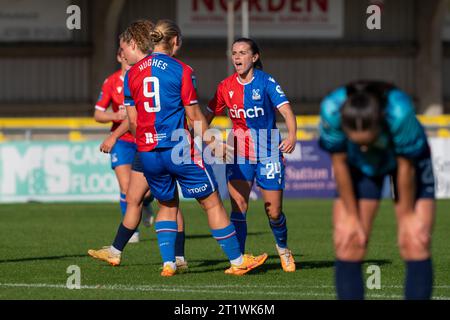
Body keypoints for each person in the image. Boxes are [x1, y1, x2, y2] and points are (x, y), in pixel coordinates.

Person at [108, 19, 267, 277]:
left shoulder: (132, 73)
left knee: (167, 206)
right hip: (178, 148)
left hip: (148, 152)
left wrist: (147, 144)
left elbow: (134, 121)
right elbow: (194, 115)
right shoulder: (182, 70)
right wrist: (212, 142)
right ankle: (237, 261)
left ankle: (169, 263)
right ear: (175, 42)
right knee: (212, 204)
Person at [319, 80, 435, 300]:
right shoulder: (331, 111)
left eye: (368, 141)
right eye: (357, 142)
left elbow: (405, 167)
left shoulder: (399, 113)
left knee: (415, 239)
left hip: (407, 161)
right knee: (348, 239)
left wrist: (408, 216)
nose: (364, 147)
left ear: (380, 124)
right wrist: (352, 217)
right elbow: (340, 162)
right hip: (357, 164)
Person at [89, 21, 187, 269]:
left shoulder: (138, 73)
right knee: (145, 198)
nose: (122, 55)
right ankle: (119, 250)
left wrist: (118, 135)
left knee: (166, 200)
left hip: (150, 145)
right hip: (164, 143)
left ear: (134, 46)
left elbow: (135, 120)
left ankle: (177, 258)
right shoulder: (167, 69)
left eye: (124, 49)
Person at [205, 38, 298, 272]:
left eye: (243, 52)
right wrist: (205, 137)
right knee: (239, 205)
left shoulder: (266, 82)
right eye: (234, 53)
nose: (237, 57)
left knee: (274, 212)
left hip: (268, 153)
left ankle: (283, 248)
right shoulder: (225, 86)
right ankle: (239, 260)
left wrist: (292, 136)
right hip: (239, 153)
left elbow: (286, 111)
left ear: (254, 57)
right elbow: (205, 116)